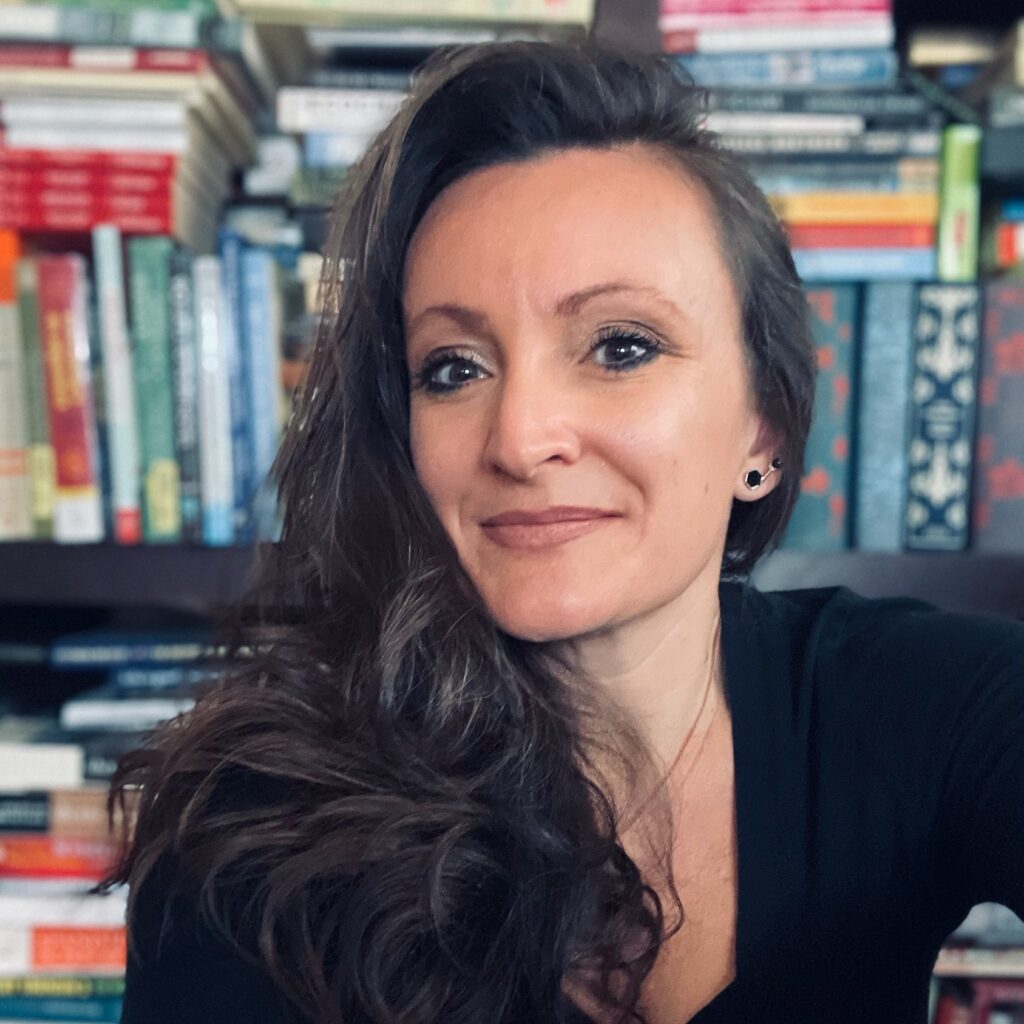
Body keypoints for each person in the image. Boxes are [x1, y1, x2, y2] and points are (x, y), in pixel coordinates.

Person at [95, 40, 1024, 1024]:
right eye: (452, 368)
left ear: (764, 425)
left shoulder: (921, 701)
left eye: (620, 345)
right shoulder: (253, 827)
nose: (520, 437)